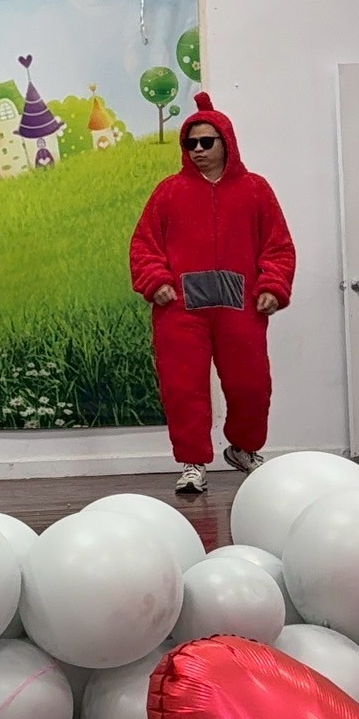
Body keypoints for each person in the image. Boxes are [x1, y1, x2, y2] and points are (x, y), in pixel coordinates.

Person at [130, 92, 296, 495]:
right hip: (180, 309)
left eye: (207, 142)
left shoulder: (256, 190)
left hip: (241, 307)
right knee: (183, 388)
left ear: (227, 142)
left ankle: (243, 449)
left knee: (251, 385)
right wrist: (157, 281)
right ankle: (192, 463)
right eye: (191, 143)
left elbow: (278, 247)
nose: (198, 150)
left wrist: (273, 286)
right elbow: (143, 246)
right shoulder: (168, 192)